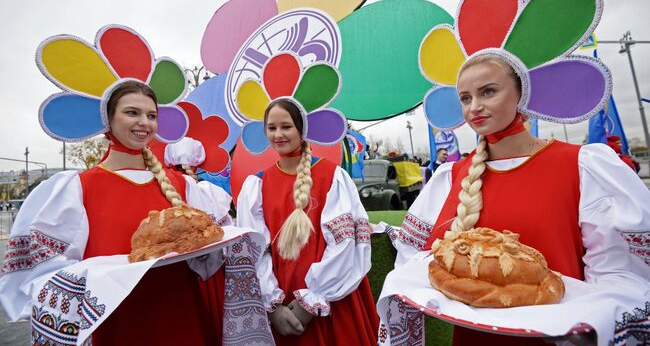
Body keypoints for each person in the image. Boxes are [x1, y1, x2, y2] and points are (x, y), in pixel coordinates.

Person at [381, 52, 650, 345]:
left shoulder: (582, 166)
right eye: (466, 98)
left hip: (558, 334)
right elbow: (416, 259)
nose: (475, 107)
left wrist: (586, 322)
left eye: (488, 91)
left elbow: (619, 272)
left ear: (522, 93)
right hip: (474, 337)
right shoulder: (450, 176)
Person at [0, 81, 234, 345]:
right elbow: (45, 273)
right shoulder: (78, 188)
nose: (144, 122)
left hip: (181, 310)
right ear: (108, 119)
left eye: (151, 116)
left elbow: (209, 256)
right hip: (118, 320)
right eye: (132, 113)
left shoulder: (182, 185)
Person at [236, 98, 379, 345]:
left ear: (301, 129)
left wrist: (313, 299)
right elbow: (254, 251)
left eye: (286, 126)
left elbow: (346, 245)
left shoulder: (332, 176)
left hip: (332, 302)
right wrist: (272, 305)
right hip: (283, 301)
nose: (278, 134)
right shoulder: (256, 185)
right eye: (272, 128)